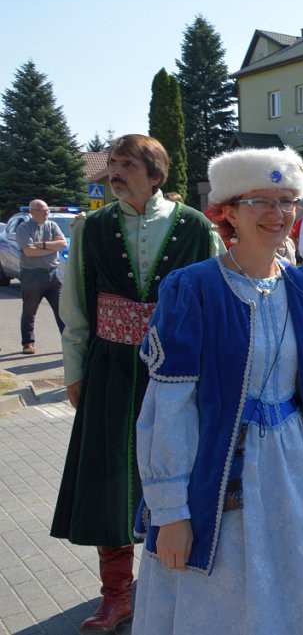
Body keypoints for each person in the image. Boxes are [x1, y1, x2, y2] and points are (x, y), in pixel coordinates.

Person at [131, 147, 303, 634]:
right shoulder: (194, 289)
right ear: (229, 212)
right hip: (217, 479)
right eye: (259, 200)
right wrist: (171, 513)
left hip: (293, 474)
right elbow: (169, 409)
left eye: (286, 201)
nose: (276, 213)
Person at [51, 134, 224, 632]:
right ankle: (116, 594)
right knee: (110, 480)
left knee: (177, 472)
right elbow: (76, 306)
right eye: (112, 164)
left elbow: (215, 301)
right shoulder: (91, 227)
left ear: (156, 174)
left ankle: (173, 586)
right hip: (110, 372)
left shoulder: (195, 227)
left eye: (126, 165)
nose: (114, 173)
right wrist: (75, 370)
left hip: (179, 373)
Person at [16, 199, 67, 354]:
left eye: (47, 210)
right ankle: (28, 343)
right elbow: (29, 252)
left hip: (54, 274)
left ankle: (69, 342)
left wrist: (42, 245)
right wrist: (53, 247)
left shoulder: (52, 225)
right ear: (32, 212)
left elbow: (63, 244)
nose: (46, 213)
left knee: (63, 311)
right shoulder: (24, 228)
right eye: (42, 210)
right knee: (29, 311)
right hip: (32, 274)